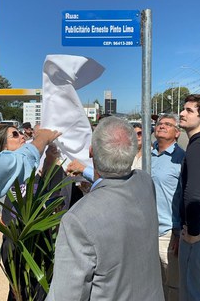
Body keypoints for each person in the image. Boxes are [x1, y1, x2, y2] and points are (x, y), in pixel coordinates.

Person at [45, 116, 164, 301]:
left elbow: (66, 295)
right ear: (132, 152)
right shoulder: (145, 182)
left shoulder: (77, 218)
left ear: (91, 152)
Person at [0, 127, 61, 297]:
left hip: (38, 240)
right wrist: (42, 139)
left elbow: (44, 192)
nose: (22, 136)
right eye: (14, 134)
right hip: (16, 242)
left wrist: (49, 162)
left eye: (21, 132)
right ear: (3, 149)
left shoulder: (30, 175)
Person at [152, 113, 185, 301]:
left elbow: (185, 198)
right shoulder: (149, 155)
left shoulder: (181, 159)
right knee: (154, 284)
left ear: (177, 132)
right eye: (159, 123)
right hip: (147, 231)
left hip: (168, 235)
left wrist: (179, 233)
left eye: (168, 124)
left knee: (173, 286)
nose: (161, 126)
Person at [179, 94, 200, 301]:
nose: (182, 113)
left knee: (191, 292)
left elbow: (194, 193)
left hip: (194, 239)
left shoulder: (196, 147)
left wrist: (194, 233)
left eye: (189, 110)